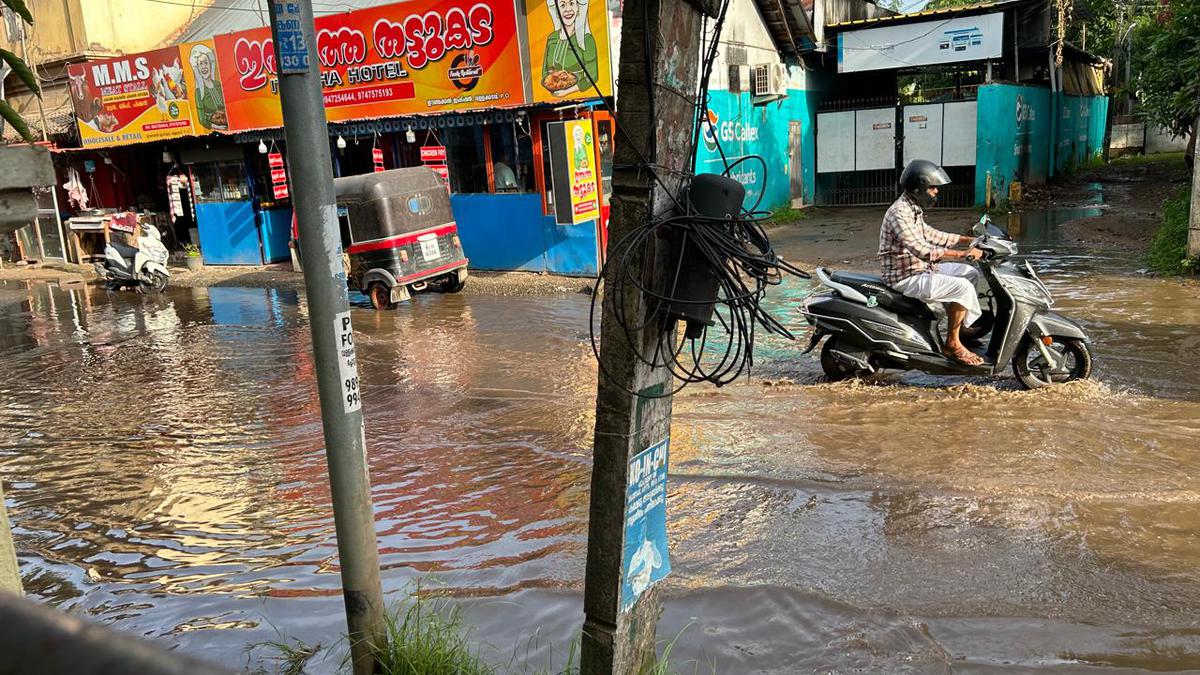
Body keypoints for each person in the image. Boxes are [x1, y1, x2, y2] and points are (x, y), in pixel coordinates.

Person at [879, 159, 985, 366]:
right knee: (962, 287)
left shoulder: (912, 207)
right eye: (933, 187)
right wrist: (962, 254)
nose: (936, 191)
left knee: (968, 274)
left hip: (920, 269)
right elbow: (921, 250)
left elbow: (930, 234)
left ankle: (960, 329)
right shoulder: (899, 212)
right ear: (920, 187)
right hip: (905, 276)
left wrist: (967, 241)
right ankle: (952, 344)